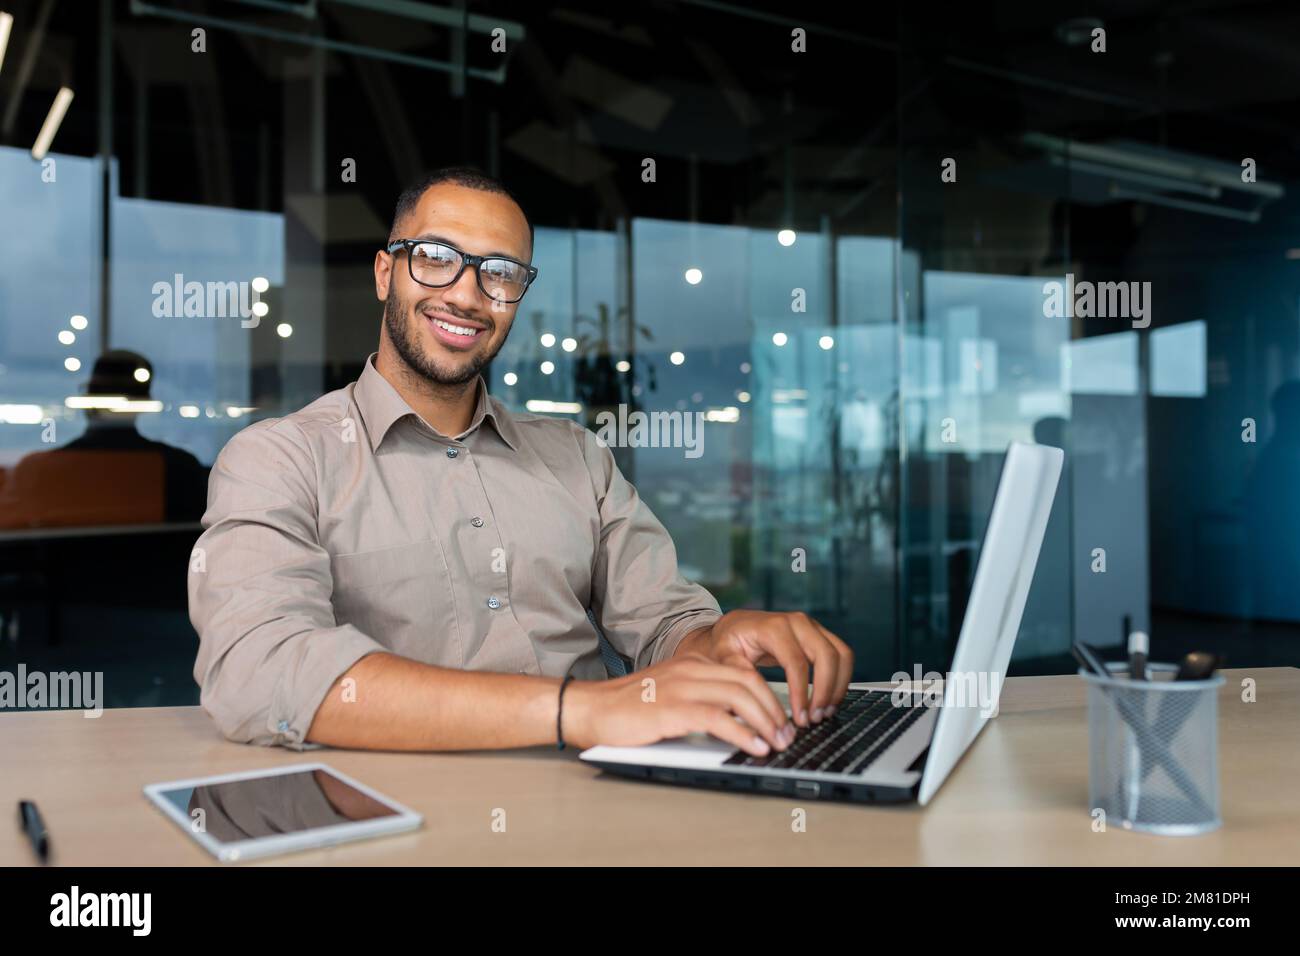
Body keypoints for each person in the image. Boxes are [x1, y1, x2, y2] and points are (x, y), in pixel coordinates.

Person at [188, 166, 852, 757]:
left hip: (599, 802)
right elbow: (258, 671)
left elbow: (664, 624)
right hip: (396, 820)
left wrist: (718, 642)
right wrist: (581, 710)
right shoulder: (279, 460)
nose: (468, 295)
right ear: (386, 271)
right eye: (436, 257)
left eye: (499, 272)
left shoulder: (577, 458)